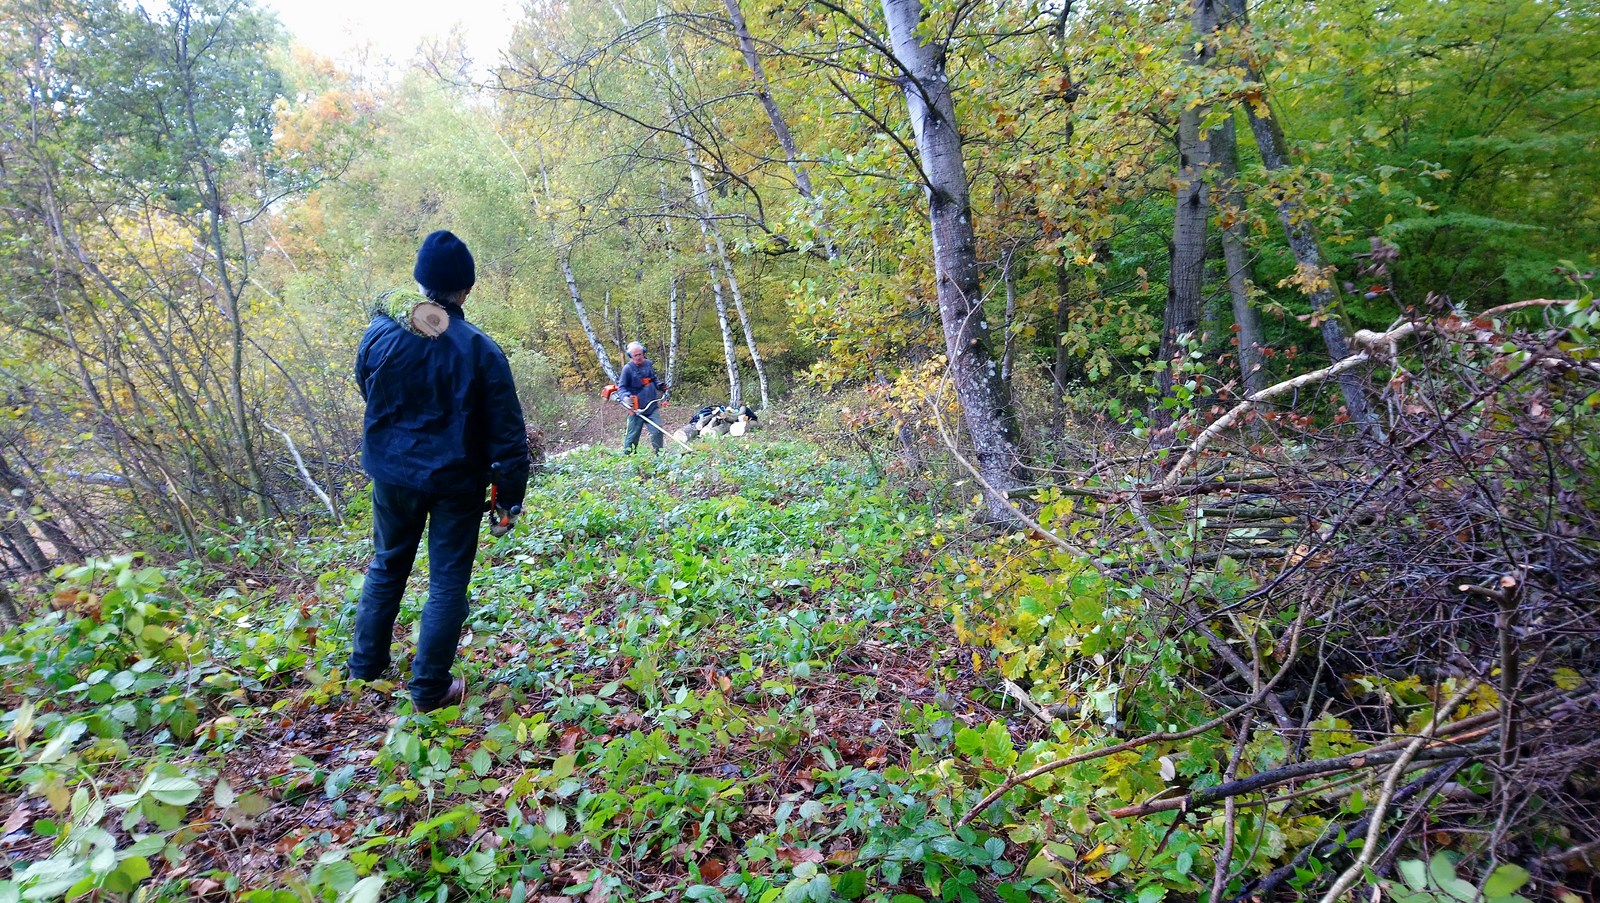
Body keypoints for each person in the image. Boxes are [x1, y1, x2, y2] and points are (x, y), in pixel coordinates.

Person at [347, 230, 529, 712]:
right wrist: (508, 501)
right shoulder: (479, 349)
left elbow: (367, 388)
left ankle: (365, 670)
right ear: (465, 289)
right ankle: (429, 689)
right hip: (455, 484)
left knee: (387, 564)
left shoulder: (380, 334)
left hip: (393, 474)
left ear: (419, 281)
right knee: (447, 582)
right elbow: (508, 437)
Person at [618, 341, 668, 454]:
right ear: (630, 356)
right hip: (636, 409)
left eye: (640, 354)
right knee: (632, 437)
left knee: (657, 431)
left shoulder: (648, 364)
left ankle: (659, 456)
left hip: (651, 406)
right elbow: (621, 388)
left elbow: (653, 379)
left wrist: (659, 385)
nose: (639, 357)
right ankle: (629, 459)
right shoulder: (627, 369)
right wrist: (625, 398)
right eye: (636, 355)